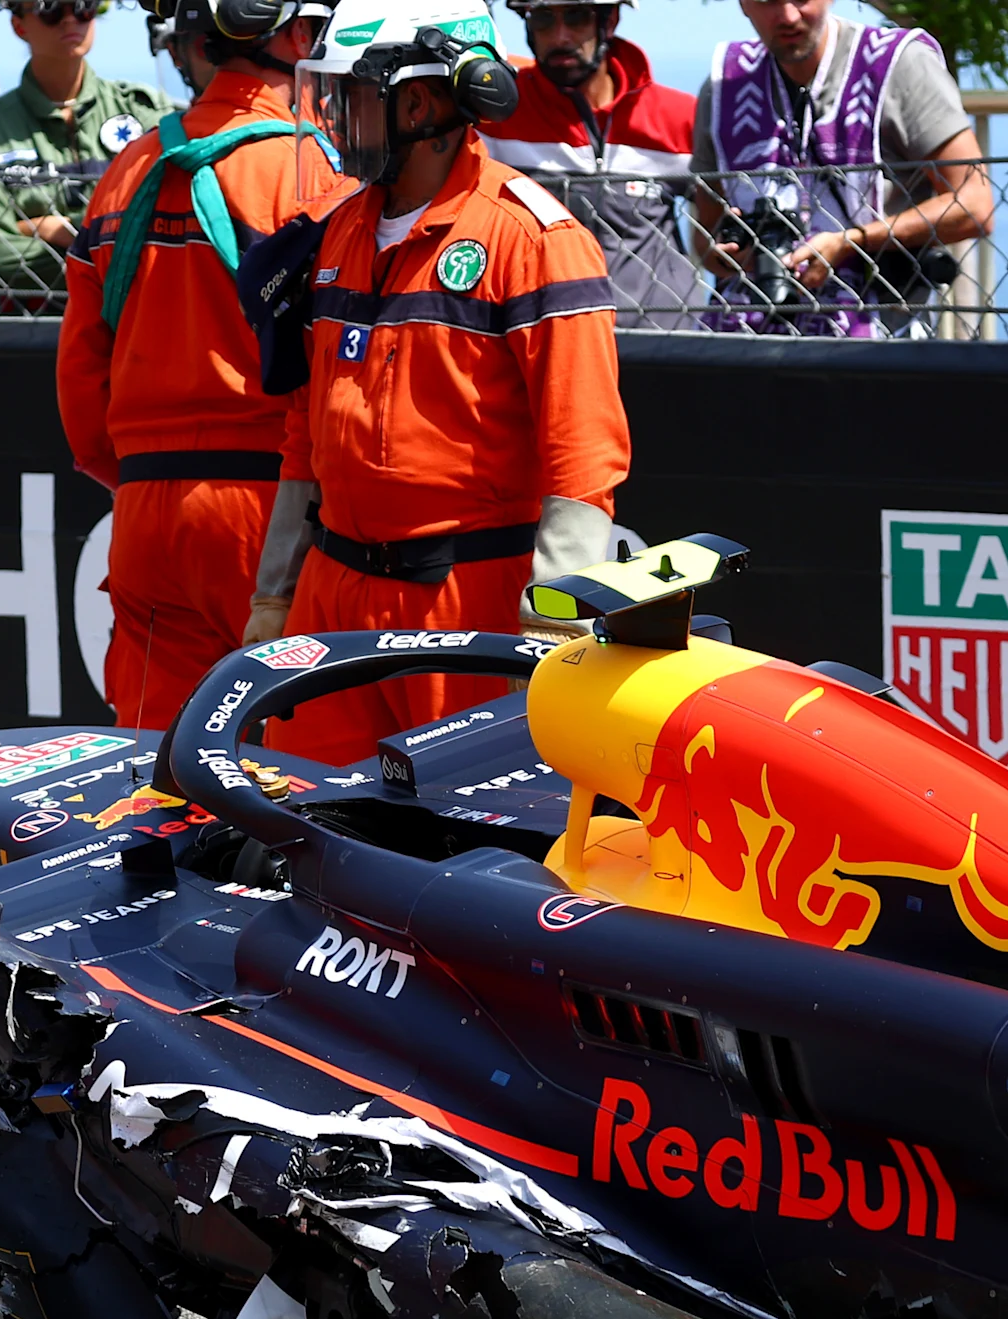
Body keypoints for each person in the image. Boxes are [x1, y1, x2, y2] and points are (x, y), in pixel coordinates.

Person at [242, 0, 626, 764]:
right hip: (333, 592)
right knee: (307, 827)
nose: (332, 117)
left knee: (460, 846)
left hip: (468, 604)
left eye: (350, 95)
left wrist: (555, 630)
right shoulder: (336, 229)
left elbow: (583, 460)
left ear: (418, 102)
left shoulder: (535, 241)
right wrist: (274, 597)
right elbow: (304, 436)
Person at [58, 0, 327, 733]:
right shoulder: (312, 168)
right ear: (296, 36)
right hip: (272, 514)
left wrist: (145, 475)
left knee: (153, 777)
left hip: (146, 514)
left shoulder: (126, 170)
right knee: (295, 780)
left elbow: (82, 381)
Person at [689, 0, 991, 337]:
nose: (788, 16)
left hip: (879, 336)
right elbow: (706, 234)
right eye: (767, 1)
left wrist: (852, 242)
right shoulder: (724, 86)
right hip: (751, 339)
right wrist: (730, 254)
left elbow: (975, 205)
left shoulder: (898, 65)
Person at [480, 0, 695, 324]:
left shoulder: (680, 118)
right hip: (540, 340)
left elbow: (720, 226)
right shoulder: (498, 116)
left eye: (577, 16)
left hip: (665, 346)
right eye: (542, 19)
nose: (560, 36)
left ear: (610, 21)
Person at [0, 0, 167, 309]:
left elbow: (167, 224)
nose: (71, 20)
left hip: (137, 325)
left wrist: (54, 228)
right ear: (19, 26)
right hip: (32, 334)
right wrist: (116, 250)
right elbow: (3, 261)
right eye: (51, 10)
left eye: (84, 7)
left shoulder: (143, 111)